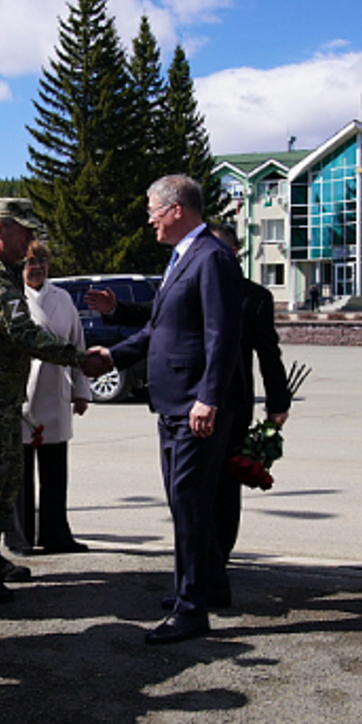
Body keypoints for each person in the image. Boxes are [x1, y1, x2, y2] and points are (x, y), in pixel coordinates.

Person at [87, 175, 242, 644]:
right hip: (173, 402)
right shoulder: (182, 257)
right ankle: (209, 586)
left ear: (176, 210)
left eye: (153, 210)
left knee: (190, 506)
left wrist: (208, 396)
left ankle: (191, 609)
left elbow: (223, 335)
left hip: (195, 405)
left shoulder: (212, 257)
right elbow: (161, 329)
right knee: (185, 503)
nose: (149, 219)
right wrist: (113, 356)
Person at [0, 197, 98, 602]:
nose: (30, 240)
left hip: (2, 399)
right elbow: (24, 332)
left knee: (5, 481)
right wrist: (80, 358)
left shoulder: (6, 271)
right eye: (24, 231)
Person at [209, 225, 292, 560]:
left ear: (232, 254)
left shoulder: (254, 297)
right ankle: (200, 557)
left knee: (226, 484)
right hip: (192, 403)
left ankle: (221, 555)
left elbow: (268, 353)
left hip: (233, 404)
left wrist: (278, 403)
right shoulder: (196, 287)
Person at [9, 239, 94, 555]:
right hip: (22, 394)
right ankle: (20, 537)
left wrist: (80, 391)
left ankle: (56, 534)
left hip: (55, 391)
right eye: (32, 261)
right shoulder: (11, 298)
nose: (38, 267)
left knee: (55, 471)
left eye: (43, 261)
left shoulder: (62, 298)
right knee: (20, 474)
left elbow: (77, 343)